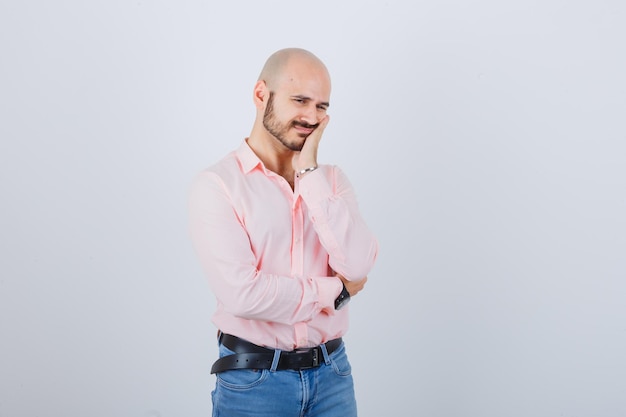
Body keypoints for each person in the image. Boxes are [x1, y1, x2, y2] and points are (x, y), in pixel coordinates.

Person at [188, 47, 379, 417]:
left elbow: (357, 266)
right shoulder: (217, 185)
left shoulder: (332, 182)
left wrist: (309, 172)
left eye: (322, 106)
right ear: (261, 95)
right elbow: (244, 294)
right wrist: (334, 292)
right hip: (254, 384)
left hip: (333, 377)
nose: (312, 116)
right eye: (300, 100)